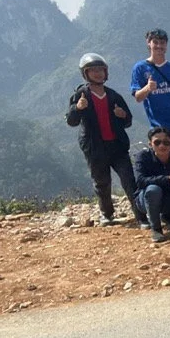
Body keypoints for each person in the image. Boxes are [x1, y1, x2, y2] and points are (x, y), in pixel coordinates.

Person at [66, 53, 147, 227]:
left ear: (105, 72)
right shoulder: (81, 95)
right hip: (95, 147)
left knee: (129, 180)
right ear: (85, 73)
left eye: (100, 70)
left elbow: (128, 120)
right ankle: (107, 214)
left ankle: (141, 217)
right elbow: (71, 121)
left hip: (117, 146)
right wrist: (77, 108)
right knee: (101, 182)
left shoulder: (113, 95)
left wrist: (122, 115)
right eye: (93, 70)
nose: (97, 73)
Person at [130, 29, 170, 149]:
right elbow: (138, 97)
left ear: (166, 45)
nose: (159, 46)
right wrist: (148, 88)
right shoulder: (140, 68)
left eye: (162, 43)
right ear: (148, 43)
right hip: (159, 129)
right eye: (155, 42)